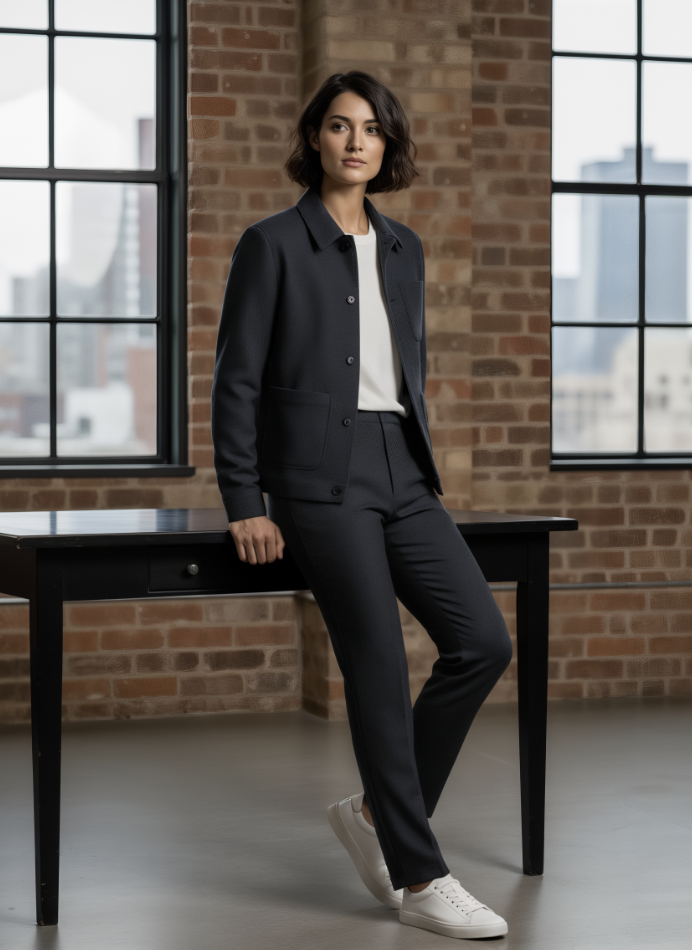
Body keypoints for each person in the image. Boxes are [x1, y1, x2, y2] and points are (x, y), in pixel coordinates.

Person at [211, 70, 513, 941]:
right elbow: (236, 381)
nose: (355, 141)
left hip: (402, 473)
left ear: (387, 146)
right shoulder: (270, 243)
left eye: (371, 129)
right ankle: (421, 879)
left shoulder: (404, 247)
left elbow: (399, 370)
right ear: (314, 140)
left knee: (482, 642)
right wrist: (247, 498)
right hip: (316, 482)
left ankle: (379, 814)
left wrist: (413, 461)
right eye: (339, 127)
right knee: (377, 663)